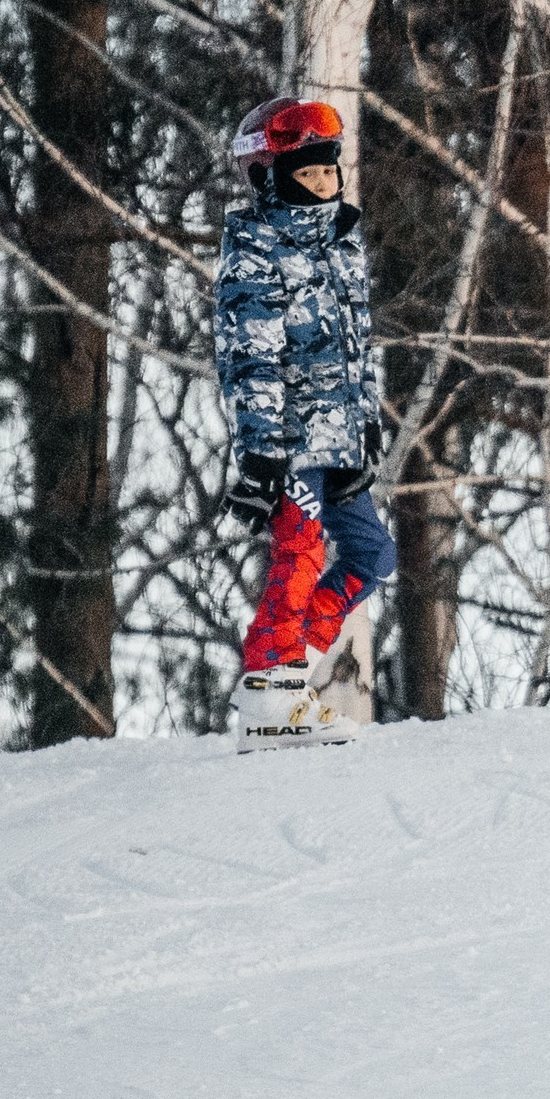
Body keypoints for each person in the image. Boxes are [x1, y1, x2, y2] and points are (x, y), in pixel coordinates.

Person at [214, 97, 397, 752]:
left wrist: (367, 423)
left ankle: (292, 674)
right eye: (306, 175)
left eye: (329, 174)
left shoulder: (341, 247)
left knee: (374, 554)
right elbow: (253, 358)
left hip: (339, 439)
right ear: (271, 179)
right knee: (299, 558)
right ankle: (270, 696)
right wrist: (261, 456)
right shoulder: (256, 256)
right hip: (289, 443)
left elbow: (356, 346)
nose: (323, 186)